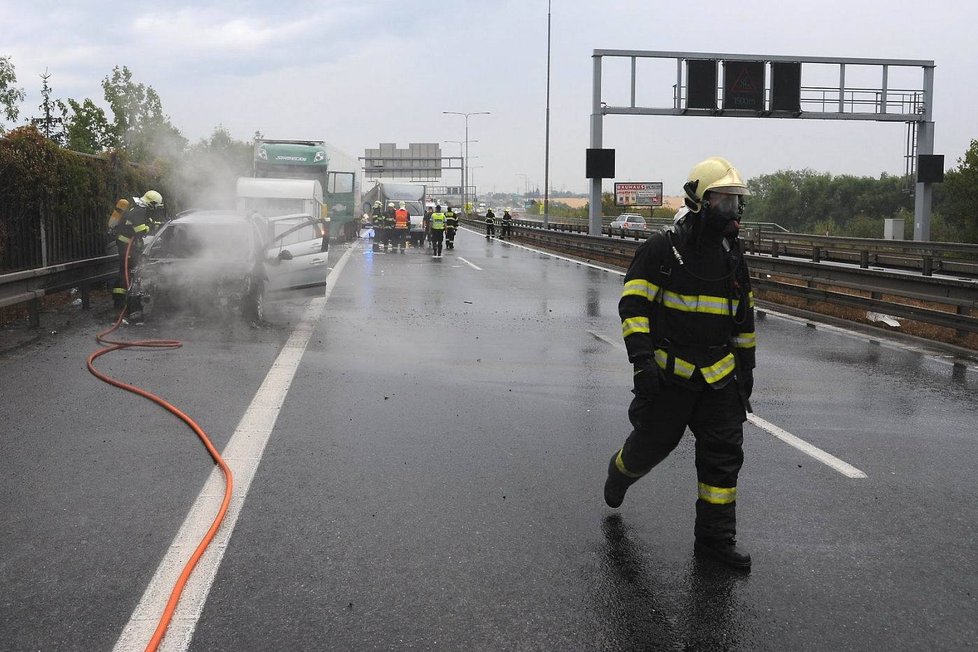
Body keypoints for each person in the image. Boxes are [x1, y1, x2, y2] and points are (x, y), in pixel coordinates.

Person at [602, 156, 757, 570]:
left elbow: (744, 318)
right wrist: (642, 364)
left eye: (736, 201)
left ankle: (714, 541)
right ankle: (620, 472)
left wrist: (747, 373)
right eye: (724, 200)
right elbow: (633, 307)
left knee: (723, 460)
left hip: (720, 380)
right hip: (671, 377)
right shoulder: (661, 251)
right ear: (700, 202)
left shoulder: (732, 256)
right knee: (652, 446)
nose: (733, 210)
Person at [110, 190, 164, 312]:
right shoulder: (140, 210)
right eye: (156, 206)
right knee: (126, 273)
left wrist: (152, 223)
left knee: (126, 272)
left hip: (126, 244)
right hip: (126, 246)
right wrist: (150, 226)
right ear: (152, 203)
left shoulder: (137, 206)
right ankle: (121, 303)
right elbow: (140, 230)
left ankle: (121, 301)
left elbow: (137, 224)